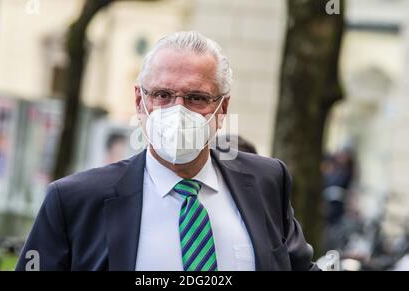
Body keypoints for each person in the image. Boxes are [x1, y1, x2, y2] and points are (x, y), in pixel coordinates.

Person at [16, 31, 317, 271]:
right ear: (139, 101)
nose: (178, 110)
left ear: (222, 108)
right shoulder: (74, 201)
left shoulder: (266, 182)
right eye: (162, 94)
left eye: (196, 97)